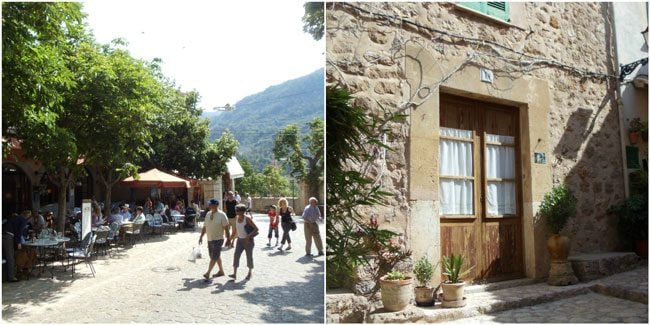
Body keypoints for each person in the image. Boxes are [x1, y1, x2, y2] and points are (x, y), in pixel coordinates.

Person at [198, 199, 230, 281]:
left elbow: (226, 228)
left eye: (210, 204)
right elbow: (205, 226)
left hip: (218, 239)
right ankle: (221, 271)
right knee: (215, 256)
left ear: (216, 205)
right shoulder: (208, 214)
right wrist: (201, 236)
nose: (209, 206)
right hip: (210, 239)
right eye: (209, 204)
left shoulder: (222, 215)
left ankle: (208, 272)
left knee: (214, 256)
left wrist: (228, 239)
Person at [229, 204, 259, 281]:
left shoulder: (247, 219)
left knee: (249, 256)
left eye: (237, 210)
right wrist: (229, 239)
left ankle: (250, 272)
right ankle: (234, 274)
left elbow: (256, 229)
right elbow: (235, 230)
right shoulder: (236, 218)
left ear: (242, 211)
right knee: (236, 255)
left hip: (248, 241)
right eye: (236, 210)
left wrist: (248, 236)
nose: (236, 211)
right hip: (239, 240)